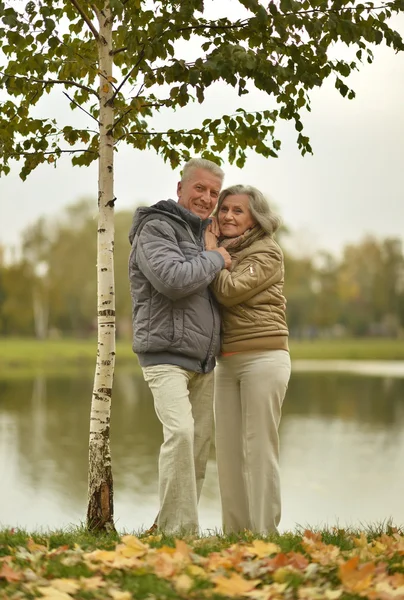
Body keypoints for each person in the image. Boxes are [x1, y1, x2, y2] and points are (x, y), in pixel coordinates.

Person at [128, 158, 231, 534]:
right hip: (164, 354)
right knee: (181, 435)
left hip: (203, 360)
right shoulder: (156, 228)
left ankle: (166, 528)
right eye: (200, 189)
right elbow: (172, 280)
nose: (207, 198)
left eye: (214, 193)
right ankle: (180, 537)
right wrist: (216, 257)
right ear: (180, 189)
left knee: (198, 449)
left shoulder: (205, 235)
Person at [205, 184, 290, 535]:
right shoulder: (222, 251)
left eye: (237, 210)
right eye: (224, 209)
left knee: (259, 449)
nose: (227, 216)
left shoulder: (267, 252)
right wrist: (212, 253)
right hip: (227, 362)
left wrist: (210, 252)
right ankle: (235, 535)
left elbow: (228, 291)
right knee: (227, 453)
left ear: (255, 217)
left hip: (264, 358)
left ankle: (266, 534)